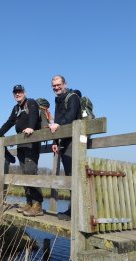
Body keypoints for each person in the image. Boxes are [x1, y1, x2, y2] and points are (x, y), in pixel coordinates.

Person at [0, 84, 43, 217]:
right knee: (24, 173)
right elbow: (9, 123)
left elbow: (34, 116)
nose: (17, 94)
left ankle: (38, 205)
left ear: (24, 92)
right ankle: (29, 202)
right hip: (21, 143)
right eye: (15, 93)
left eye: (19, 92)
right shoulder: (16, 108)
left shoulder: (31, 103)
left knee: (30, 171)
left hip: (31, 141)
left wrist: (31, 127)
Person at [49, 75, 81, 221]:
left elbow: (71, 116)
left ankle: (75, 211)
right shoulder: (58, 99)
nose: (56, 87)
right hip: (64, 141)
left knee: (75, 176)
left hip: (74, 140)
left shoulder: (72, 97)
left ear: (65, 83)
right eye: (54, 85)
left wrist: (58, 125)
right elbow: (56, 120)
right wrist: (55, 141)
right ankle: (73, 210)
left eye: (58, 84)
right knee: (69, 175)